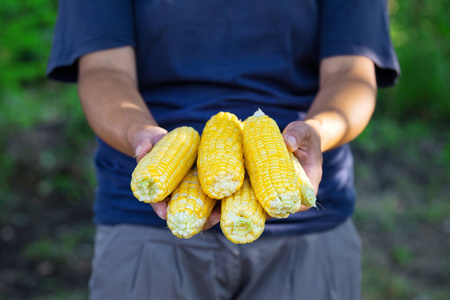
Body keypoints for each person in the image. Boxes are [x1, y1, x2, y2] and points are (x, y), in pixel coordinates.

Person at [47, 0, 400, 299]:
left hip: (308, 227)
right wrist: (137, 133)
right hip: (146, 225)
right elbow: (104, 69)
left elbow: (351, 72)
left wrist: (319, 131)